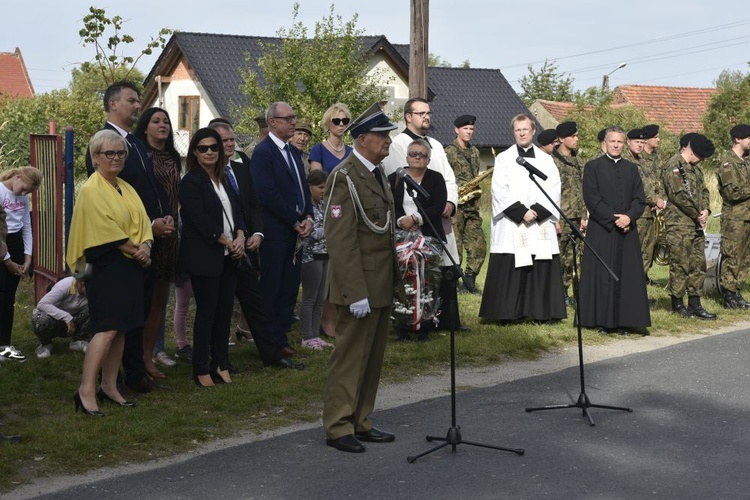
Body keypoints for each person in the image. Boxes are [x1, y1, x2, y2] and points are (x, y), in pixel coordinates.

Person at [323, 102, 404, 454]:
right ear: (364, 138)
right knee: (350, 357)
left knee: (372, 358)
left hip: (380, 282)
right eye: (383, 136)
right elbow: (341, 240)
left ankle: (361, 419)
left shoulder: (375, 173)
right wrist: (355, 292)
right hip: (358, 286)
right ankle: (339, 425)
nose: (388, 142)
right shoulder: (344, 177)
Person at [87, 81, 174, 395]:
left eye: (139, 101)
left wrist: (159, 220)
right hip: (122, 248)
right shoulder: (102, 143)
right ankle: (112, 379)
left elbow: (146, 187)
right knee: (120, 317)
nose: (138, 106)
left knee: (138, 311)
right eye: (132, 101)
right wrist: (146, 230)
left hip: (147, 241)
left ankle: (134, 372)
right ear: (113, 104)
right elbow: (107, 200)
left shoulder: (135, 144)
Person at [67, 129, 153, 415]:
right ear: (95, 158)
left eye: (120, 153)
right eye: (109, 153)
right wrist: (136, 250)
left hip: (130, 267)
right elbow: (106, 231)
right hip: (107, 268)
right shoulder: (92, 189)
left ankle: (110, 386)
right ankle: (85, 390)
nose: (116, 158)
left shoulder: (124, 186)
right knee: (106, 330)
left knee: (122, 331)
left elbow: (143, 222)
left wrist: (147, 246)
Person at [209, 120, 305, 370]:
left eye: (232, 139)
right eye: (224, 140)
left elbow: (252, 204)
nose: (230, 144)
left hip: (246, 245)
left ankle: (271, 352)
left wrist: (256, 233)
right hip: (217, 247)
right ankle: (216, 359)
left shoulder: (241, 168)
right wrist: (231, 239)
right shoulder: (204, 175)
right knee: (219, 306)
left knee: (256, 301)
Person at [381, 98, 463, 331]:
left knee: (444, 268)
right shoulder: (399, 143)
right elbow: (404, 179)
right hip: (412, 222)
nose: (426, 117)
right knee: (415, 272)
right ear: (408, 116)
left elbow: (448, 177)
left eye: (428, 112)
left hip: (438, 215)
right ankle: (413, 321)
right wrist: (414, 217)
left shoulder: (435, 144)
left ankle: (446, 319)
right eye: (421, 113)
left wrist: (450, 201)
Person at [479, 114, 566, 323]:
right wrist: (521, 212)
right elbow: (499, 190)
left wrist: (536, 212)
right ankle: (507, 314)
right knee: (512, 265)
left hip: (539, 223)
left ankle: (540, 313)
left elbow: (554, 188)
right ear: (513, 132)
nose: (522, 133)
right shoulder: (504, 158)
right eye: (518, 130)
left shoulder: (546, 160)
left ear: (533, 131)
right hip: (512, 221)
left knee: (539, 263)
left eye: (525, 129)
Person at [179, 128, 246, 387]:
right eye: (203, 148)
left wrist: (240, 236)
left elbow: (238, 212)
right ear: (194, 152)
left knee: (224, 311)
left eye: (213, 147)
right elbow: (198, 220)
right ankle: (200, 367)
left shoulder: (223, 180)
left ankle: (220, 362)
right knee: (207, 312)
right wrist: (226, 239)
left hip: (230, 255)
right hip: (205, 256)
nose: (209, 152)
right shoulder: (190, 182)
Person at [249, 102, 313, 358]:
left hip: (296, 230)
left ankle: (282, 337)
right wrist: (293, 220)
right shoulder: (264, 153)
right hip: (276, 231)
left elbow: (303, 188)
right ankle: (269, 342)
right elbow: (266, 193)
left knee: (289, 286)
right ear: (272, 122)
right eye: (288, 118)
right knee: (272, 287)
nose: (293, 122)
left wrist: (308, 215)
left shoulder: (293, 152)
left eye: (294, 117)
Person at [578, 126, 651, 333]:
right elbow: (592, 199)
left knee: (627, 276)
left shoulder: (631, 169)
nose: (616, 145)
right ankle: (602, 321)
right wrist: (613, 218)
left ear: (624, 143)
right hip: (602, 230)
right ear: (605, 143)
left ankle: (626, 321)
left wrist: (629, 217)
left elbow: (640, 198)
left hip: (627, 229)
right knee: (602, 276)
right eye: (612, 141)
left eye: (620, 141)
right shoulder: (592, 167)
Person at [134, 107, 181, 378]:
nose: (162, 125)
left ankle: (149, 355)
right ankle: (136, 358)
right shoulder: (141, 155)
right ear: (146, 126)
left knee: (160, 301)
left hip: (171, 235)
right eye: (156, 121)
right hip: (147, 232)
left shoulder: (174, 157)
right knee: (144, 299)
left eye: (166, 121)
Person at [388, 139, 447, 339]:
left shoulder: (436, 179)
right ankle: (403, 325)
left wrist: (416, 218)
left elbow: (438, 205)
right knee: (403, 281)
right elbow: (389, 205)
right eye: (413, 154)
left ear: (428, 159)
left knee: (428, 281)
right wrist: (401, 221)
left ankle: (425, 325)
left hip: (428, 236)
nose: (417, 158)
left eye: (422, 155)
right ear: (406, 157)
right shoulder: (395, 178)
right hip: (401, 236)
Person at [661, 133, 716, 319]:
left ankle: (695, 303)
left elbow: (704, 191)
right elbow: (679, 196)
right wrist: (696, 214)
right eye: (700, 156)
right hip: (679, 226)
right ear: (691, 150)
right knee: (680, 265)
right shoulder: (673, 166)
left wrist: (706, 210)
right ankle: (677, 304)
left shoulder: (696, 170)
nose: (701, 160)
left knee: (698, 265)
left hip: (696, 226)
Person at [0, 166, 42, 362]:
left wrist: (27, 256)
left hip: (16, 245)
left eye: (28, 193)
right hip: (2, 241)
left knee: (8, 297)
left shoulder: (24, 197)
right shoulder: (1, 191)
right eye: (24, 188)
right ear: (17, 176)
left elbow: (26, 224)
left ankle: (4, 344)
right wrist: (8, 261)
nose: (24, 194)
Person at [445, 114, 487, 294]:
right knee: (456, 247)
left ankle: (469, 281)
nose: (469, 132)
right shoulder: (448, 151)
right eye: (465, 129)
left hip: (472, 206)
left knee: (479, 246)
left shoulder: (475, 152)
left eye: (471, 129)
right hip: (456, 205)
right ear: (457, 130)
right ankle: (453, 283)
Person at [551, 121, 587, 306]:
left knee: (574, 258)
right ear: (562, 139)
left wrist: (583, 216)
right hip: (560, 216)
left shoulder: (579, 162)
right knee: (559, 256)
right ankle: (559, 292)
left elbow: (582, 191)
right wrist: (553, 218)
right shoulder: (552, 161)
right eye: (573, 136)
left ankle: (574, 292)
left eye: (577, 136)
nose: (576, 139)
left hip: (576, 217)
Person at [299, 169, 334, 350]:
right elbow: (312, 233)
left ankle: (315, 335)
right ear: (309, 187)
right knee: (310, 297)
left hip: (325, 254)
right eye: (320, 187)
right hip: (310, 256)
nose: (323, 190)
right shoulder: (306, 208)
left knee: (321, 297)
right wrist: (330, 230)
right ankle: (306, 336)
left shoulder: (323, 204)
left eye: (326, 187)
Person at [716, 124, 750, 309]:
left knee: (745, 257)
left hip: (747, 216)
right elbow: (732, 193)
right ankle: (728, 294)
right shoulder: (727, 163)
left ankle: (737, 290)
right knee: (732, 255)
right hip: (734, 219)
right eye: (748, 138)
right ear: (738, 139)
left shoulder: (746, 161)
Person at [33, 276, 91, 358]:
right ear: (79, 282)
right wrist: (66, 317)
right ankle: (45, 345)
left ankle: (79, 340)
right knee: (39, 319)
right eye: (85, 285)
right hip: (54, 320)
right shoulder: (67, 284)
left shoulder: (95, 291)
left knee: (96, 310)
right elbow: (42, 304)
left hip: (76, 321)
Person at [309, 103, 353, 173]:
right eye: (336, 121)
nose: (341, 124)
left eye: (345, 121)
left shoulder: (352, 152)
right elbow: (317, 181)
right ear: (328, 125)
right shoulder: (318, 150)